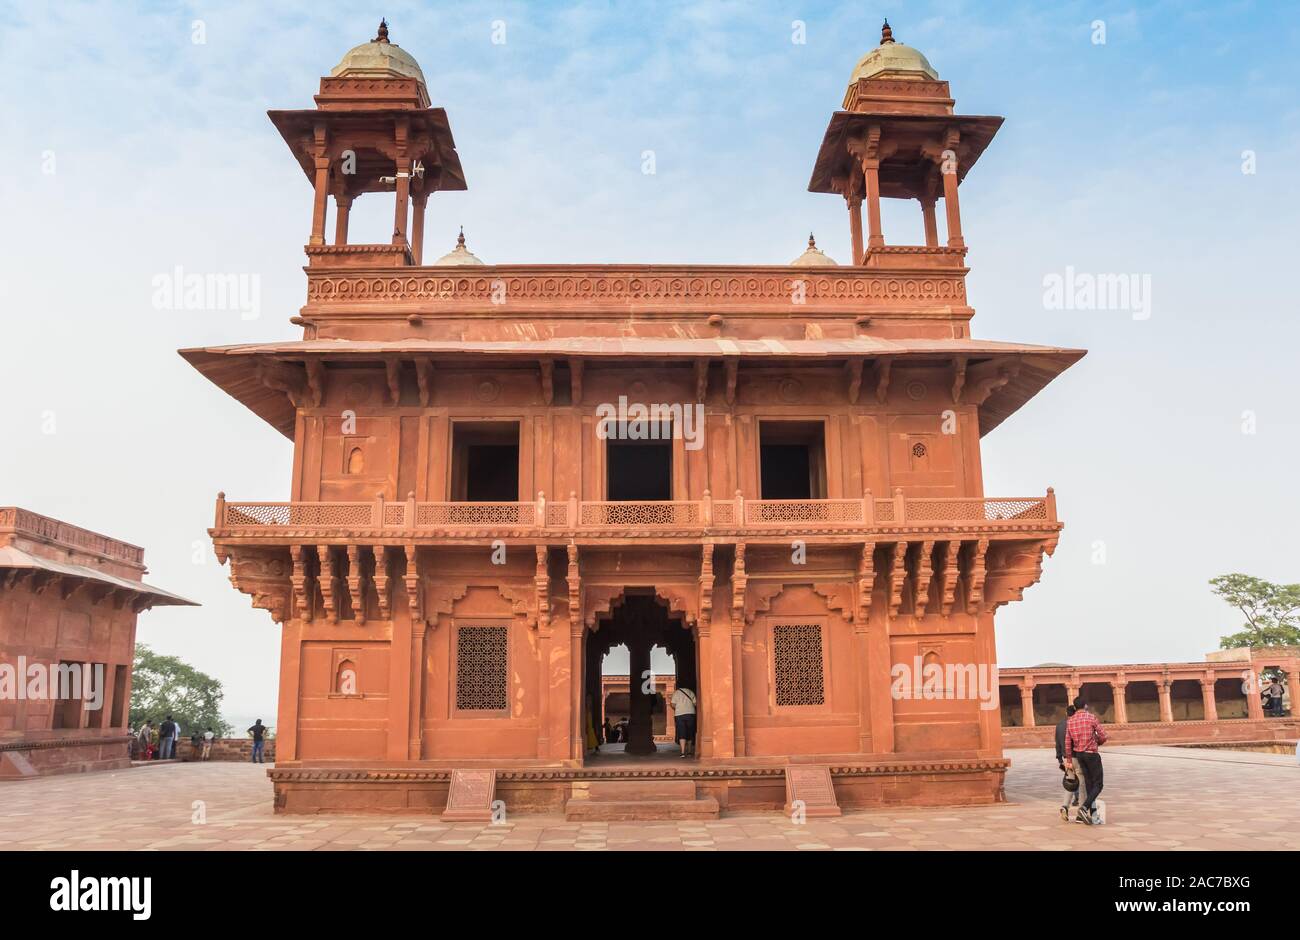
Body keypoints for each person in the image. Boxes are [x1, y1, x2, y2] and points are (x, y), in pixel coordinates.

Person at [1063, 697, 1108, 824]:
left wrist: (1069, 760)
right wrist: (1097, 741)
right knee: (1098, 785)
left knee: (1089, 786)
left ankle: (1093, 815)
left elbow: (1067, 742)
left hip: (1079, 755)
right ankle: (1083, 808)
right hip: (1091, 754)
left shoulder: (1070, 721)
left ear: (1076, 707)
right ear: (1085, 706)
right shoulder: (1091, 717)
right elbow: (1103, 736)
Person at [1054, 705, 1087, 821]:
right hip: (1076, 757)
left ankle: (1064, 807)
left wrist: (1060, 759)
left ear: (1066, 713)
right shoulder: (1075, 724)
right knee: (1082, 784)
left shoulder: (1059, 726)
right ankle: (1081, 813)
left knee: (1070, 784)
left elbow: (1057, 743)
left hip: (1066, 759)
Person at [670, 685, 697, 758]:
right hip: (690, 714)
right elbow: (695, 703)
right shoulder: (690, 692)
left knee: (682, 732)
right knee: (690, 732)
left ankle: (682, 752)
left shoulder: (676, 693)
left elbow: (672, 704)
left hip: (679, 714)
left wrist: (679, 707)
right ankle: (689, 752)